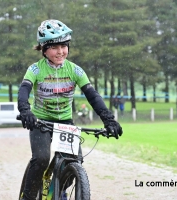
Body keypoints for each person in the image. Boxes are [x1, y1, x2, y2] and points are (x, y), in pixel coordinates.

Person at [17, 19, 123, 200]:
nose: (60, 51)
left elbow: (93, 96)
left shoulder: (75, 70)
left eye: (64, 46)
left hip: (65, 122)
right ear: (44, 49)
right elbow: (24, 90)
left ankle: (58, 191)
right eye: (54, 47)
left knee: (74, 162)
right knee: (41, 159)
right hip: (40, 121)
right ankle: (28, 197)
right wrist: (26, 111)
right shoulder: (35, 70)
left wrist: (109, 119)